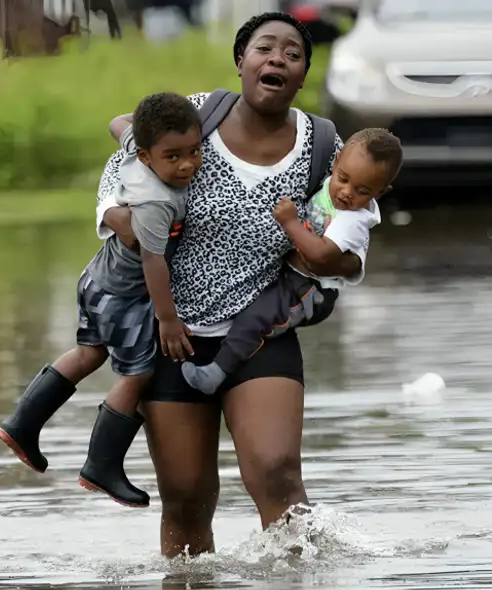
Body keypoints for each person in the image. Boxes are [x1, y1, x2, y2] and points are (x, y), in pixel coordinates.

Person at [96, 12, 374, 557]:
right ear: (240, 61)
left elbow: (357, 206)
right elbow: (123, 163)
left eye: (292, 55)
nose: (277, 59)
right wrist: (117, 216)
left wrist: (341, 256)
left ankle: (303, 573)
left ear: (301, 77)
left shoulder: (322, 142)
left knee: (276, 475)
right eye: (264, 48)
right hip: (172, 334)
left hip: (263, 332)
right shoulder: (197, 113)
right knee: (185, 496)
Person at [0, 92, 202, 509]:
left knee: (89, 353)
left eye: (195, 152)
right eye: (173, 156)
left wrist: (138, 128)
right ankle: (102, 465)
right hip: (125, 296)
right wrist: (167, 320)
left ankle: (21, 424)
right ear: (146, 158)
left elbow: (116, 122)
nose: (186, 165)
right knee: (137, 374)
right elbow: (153, 263)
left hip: (95, 281)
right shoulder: (157, 202)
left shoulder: (135, 147)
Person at [181, 128, 401, 394]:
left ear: (380, 192)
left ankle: (215, 374)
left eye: (362, 191)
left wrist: (290, 223)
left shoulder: (352, 220)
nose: (346, 192)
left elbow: (320, 256)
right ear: (337, 160)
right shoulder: (328, 184)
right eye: (343, 179)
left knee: (256, 318)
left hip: (309, 289)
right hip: (292, 275)